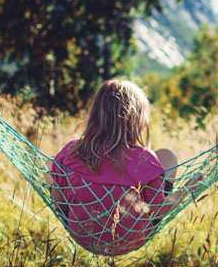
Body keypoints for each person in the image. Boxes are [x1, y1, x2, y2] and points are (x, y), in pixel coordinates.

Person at [44, 79, 196, 255]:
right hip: (132, 238)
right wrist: (190, 187)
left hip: (83, 234)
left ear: (95, 116)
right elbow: (157, 211)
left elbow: (61, 204)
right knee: (167, 156)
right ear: (136, 120)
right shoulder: (145, 159)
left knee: (51, 164)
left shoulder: (71, 151)